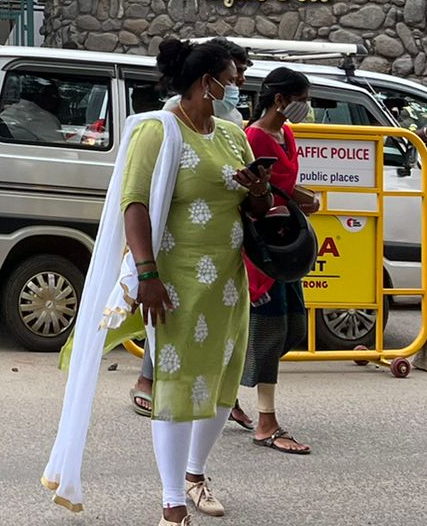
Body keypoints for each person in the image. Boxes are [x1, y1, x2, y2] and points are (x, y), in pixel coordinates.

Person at [118, 38, 268, 524]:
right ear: (209, 83)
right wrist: (147, 274)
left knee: (223, 379)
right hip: (174, 283)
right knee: (178, 383)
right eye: (234, 80)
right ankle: (172, 503)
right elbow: (134, 203)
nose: (239, 88)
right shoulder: (158, 131)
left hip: (228, 282)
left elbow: (256, 211)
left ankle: (195, 473)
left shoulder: (232, 136)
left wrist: (259, 189)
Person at [236, 67, 320, 455]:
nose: (305, 107)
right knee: (270, 331)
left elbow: (281, 186)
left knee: (293, 328)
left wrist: (306, 198)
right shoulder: (252, 136)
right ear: (280, 100)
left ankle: (228, 390)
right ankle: (266, 421)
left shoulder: (286, 133)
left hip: (287, 245)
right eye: (300, 99)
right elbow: (257, 192)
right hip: (263, 249)